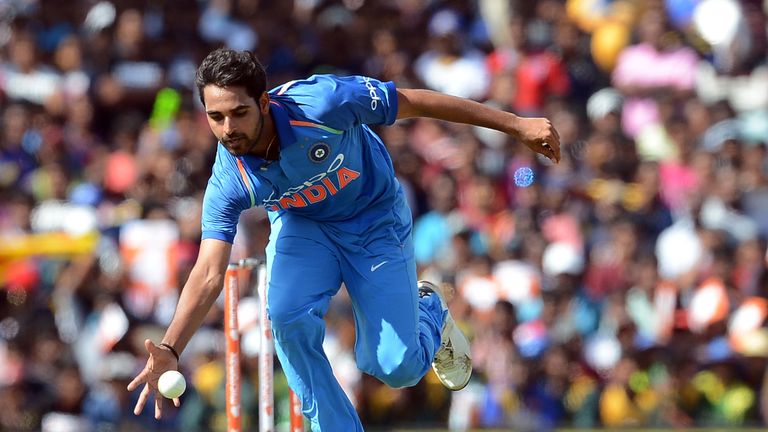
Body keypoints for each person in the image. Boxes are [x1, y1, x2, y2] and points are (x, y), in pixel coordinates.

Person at [127, 48, 560, 431]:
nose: (227, 129)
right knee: (285, 316)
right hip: (304, 226)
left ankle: (429, 310)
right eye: (215, 117)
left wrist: (515, 124)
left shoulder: (323, 102)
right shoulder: (229, 179)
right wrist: (169, 348)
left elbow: (414, 102)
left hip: (374, 218)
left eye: (238, 113)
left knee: (394, 367)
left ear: (263, 102)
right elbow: (207, 273)